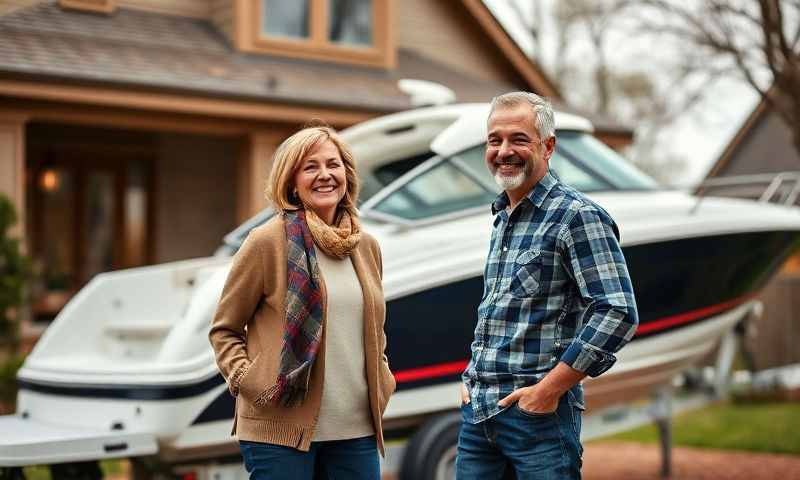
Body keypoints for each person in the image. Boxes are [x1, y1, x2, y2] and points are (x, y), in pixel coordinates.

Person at [456, 92, 639, 479]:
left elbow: (617, 311)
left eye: (518, 139)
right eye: (495, 140)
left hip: (538, 421)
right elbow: (499, 312)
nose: (504, 150)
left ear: (548, 145)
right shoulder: (502, 217)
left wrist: (548, 391)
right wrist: (471, 376)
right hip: (479, 415)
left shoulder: (577, 216)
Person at [209, 125, 395, 480]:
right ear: (292, 182)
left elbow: (374, 329)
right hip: (280, 429)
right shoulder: (266, 242)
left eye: (333, 164)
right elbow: (225, 330)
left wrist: (383, 378)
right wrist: (253, 381)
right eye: (310, 167)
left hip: (356, 430)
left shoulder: (366, 246)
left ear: (347, 174)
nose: (325, 175)